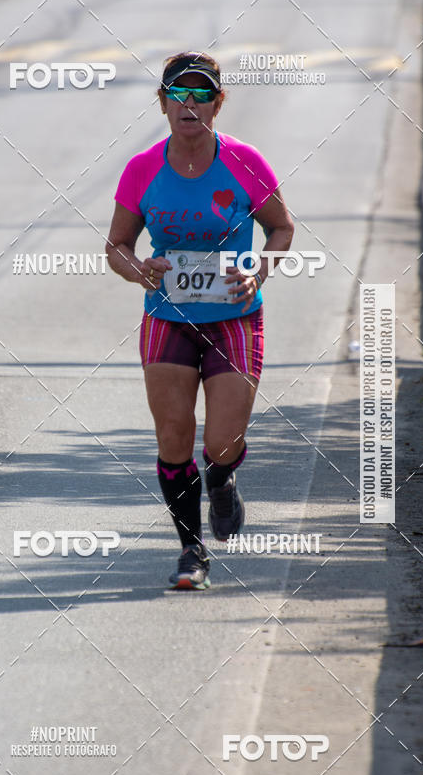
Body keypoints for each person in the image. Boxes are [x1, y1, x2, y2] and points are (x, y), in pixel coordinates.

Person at [106, 52, 294, 590]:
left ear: (217, 102)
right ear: (163, 102)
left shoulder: (244, 161)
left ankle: (223, 479)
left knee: (222, 441)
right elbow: (116, 246)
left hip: (234, 316)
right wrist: (140, 270)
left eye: (201, 94)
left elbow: (281, 228)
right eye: (179, 94)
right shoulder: (144, 167)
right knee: (173, 437)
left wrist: (260, 270)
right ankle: (192, 552)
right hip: (168, 317)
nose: (190, 104)